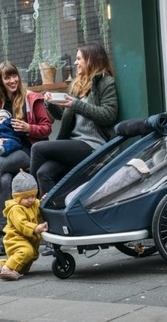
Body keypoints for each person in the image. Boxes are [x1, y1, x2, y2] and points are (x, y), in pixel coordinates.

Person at [29, 42, 118, 255]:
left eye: (79, 58)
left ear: (91, 60)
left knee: (39, 149)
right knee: (44, 173)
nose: (76, 62)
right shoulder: (77, 85)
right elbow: (67, 117)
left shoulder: (106, 82)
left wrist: (75, 104)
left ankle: (27, 206)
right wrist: (51, 104)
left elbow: (108, 115)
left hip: (93, 146)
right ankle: (56, 233)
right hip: (75, 143)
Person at [0, 61, 52, 257]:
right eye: (7, 77)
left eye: (14, 76)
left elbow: (46, 127)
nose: (12, 80)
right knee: (4, 180)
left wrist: (28, 128)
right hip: (6, 155)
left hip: (27, 152)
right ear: (1, 81)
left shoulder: (31, 98)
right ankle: (3, 237)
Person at [0, 170, 48, 281]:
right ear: (17, 197)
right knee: (25, 252)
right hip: (15, 238)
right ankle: (7, 269)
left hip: (28, 239)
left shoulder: (33, 203)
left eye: (33, 195)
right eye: (26, 197)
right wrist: (35, 228)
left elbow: (39, 205)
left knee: (23, 267)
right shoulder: (15, 209)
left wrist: (44, 201)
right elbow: (21, 224)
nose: (30, 200)